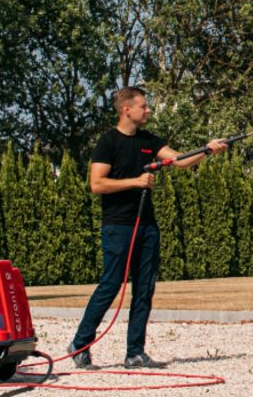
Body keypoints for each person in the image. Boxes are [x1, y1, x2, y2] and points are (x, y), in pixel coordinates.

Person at [68, 86, 228, 368]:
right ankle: (80, 344)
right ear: (126, 109)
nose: (148, 110)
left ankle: (135, 352)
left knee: (144, 288)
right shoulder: (108, 141)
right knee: (110, 285)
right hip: (118, 227)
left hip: (147, 226)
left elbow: (180, 161)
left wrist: (208, 149)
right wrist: (136, 181)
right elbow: (97, 184)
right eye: (144, 106)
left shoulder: (148, 141)